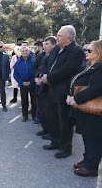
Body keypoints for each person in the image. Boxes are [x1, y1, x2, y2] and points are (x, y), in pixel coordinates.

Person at [41, 25, 85, 159]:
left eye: (59, 35)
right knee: (53, 117)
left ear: (69, 38)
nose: (57, 37)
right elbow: (48, 63)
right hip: (51, 88)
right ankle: (55, 141)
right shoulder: (58, 50)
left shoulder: (76, 51)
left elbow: (67, 70)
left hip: (63, 89)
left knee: (64, 121)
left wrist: (48, 78)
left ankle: (66, 147)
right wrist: (44, 75)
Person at [67, 40, 102, 177]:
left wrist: (76, 98)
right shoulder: (90, 65)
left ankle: (91, 166)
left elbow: (96, 89)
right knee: (87, 137)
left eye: (89, 50)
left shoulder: (100, 68)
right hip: (85, 109)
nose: (86, 52)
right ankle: (87, 159)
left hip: (93, 110)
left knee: (93, 138)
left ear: (98, 52)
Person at [35, 36, 57, 139]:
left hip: (50, 87)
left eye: (47, 44)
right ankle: (45, 128)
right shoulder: (43, 56)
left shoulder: (57, 57)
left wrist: (45, 78)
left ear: (54, 45)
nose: (44, 46)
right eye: (44, 44)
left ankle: (51, 131)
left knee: (50, 112)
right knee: (43, 110)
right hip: (42, 87)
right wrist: (37, 77)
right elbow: (40, 69)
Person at [14, 45, 36, 122]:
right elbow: (15, 74)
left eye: (26, 51)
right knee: (24, 101)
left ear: (29, 51)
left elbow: (36, 73)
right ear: (21, 52)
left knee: (34, 101)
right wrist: (21, 82)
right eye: (23, 51)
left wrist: (31, 82)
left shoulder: (34, 60)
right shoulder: (18, 62)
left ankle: (34, 116)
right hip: (22, 85)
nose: (24, 52)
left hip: (32, 85)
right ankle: (25, 116)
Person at [31, 41, 45, 125]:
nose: (34, 50)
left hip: (47, 82)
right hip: (38, 83)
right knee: (38, 101)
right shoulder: (38, 57)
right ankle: (39, 118)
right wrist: (36, 77)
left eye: (35, 48)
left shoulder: (51, 56)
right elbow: (34, 68)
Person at [10, 38, 24, 103]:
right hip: (15, 73)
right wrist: (16, 66)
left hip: (23, 73)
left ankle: (23, 98)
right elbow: (11, 65)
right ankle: (14, 97)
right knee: (15, 86)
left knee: (23, 87)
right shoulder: (14, 57)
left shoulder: (25, 56)